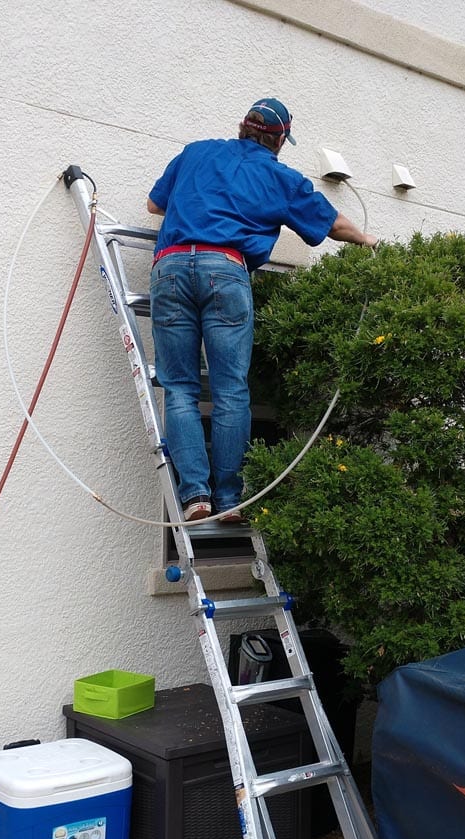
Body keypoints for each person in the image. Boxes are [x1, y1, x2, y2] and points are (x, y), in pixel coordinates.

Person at [147, 97, 380, 524]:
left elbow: (154, 205)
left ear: (241, 127)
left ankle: (195, 495)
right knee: (230, 389)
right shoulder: (279, 176)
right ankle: (230, 497)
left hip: (171, 267)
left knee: (178, 386)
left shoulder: (196, 152)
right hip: (227, 270)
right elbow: (334, 225)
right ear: (279, 140)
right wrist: (366, 241)